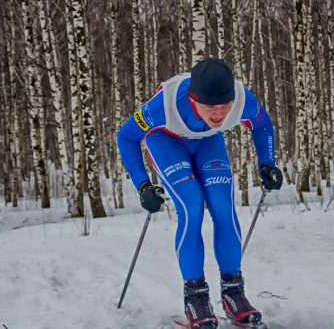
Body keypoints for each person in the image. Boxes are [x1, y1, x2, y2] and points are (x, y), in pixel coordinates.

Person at [117, 58, 282, 328]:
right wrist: (143, 185)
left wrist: (267, 163)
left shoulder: (242, 99)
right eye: (209, 107)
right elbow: (126, 136)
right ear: (194, 100)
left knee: (222, 206)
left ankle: (233, 293)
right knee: (191, 206)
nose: (218, 114)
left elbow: (262, 125)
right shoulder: (164, 106)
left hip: (207, 141)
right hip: (166, 141)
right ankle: (195, 296)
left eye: (224, 107)